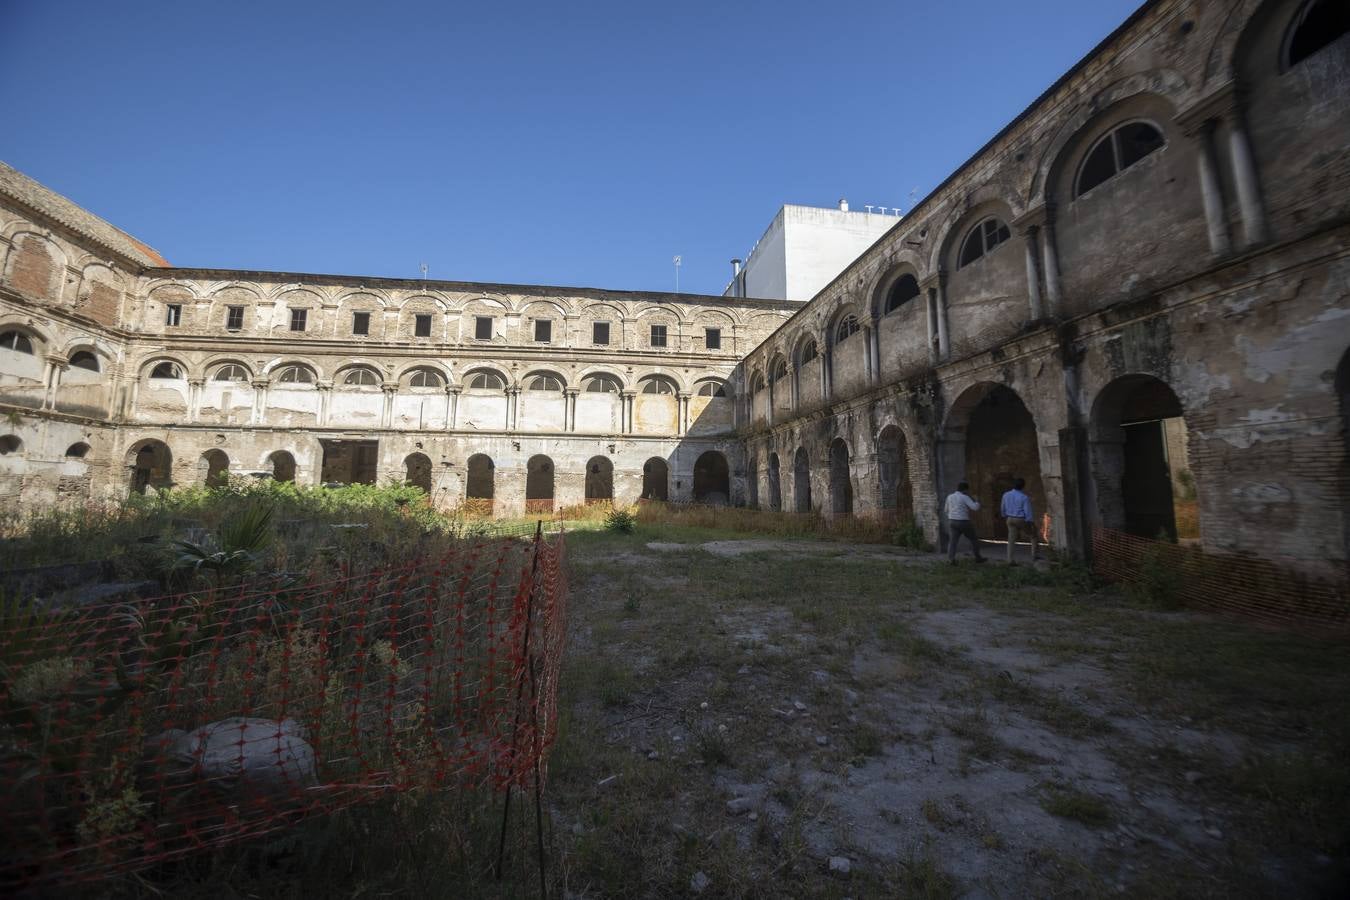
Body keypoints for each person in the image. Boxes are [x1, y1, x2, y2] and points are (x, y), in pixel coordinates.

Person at [1000, 477, 1040, 564]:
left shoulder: (1006, 494)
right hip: (1020, 519)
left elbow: (1002, 507)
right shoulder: (1024, 497)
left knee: (1011, 540)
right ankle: (1034, 556)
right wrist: (1031, 522)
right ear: (1023, 486)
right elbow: (1028, 511)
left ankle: (1010, 560)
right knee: (1033, 536)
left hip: (1010, 518)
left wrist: (1004, 515)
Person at [944, 481, 985, 564]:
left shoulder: (950, 497)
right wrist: (977, 501)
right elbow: (975, 508)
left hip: (952, 521)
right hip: (963, 522)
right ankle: (978, 558)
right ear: (965, 490)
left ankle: (950, 559)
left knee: (952, 542)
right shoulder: (964, 497)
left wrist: (951, 516)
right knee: (974, 539)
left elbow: (946, 510)